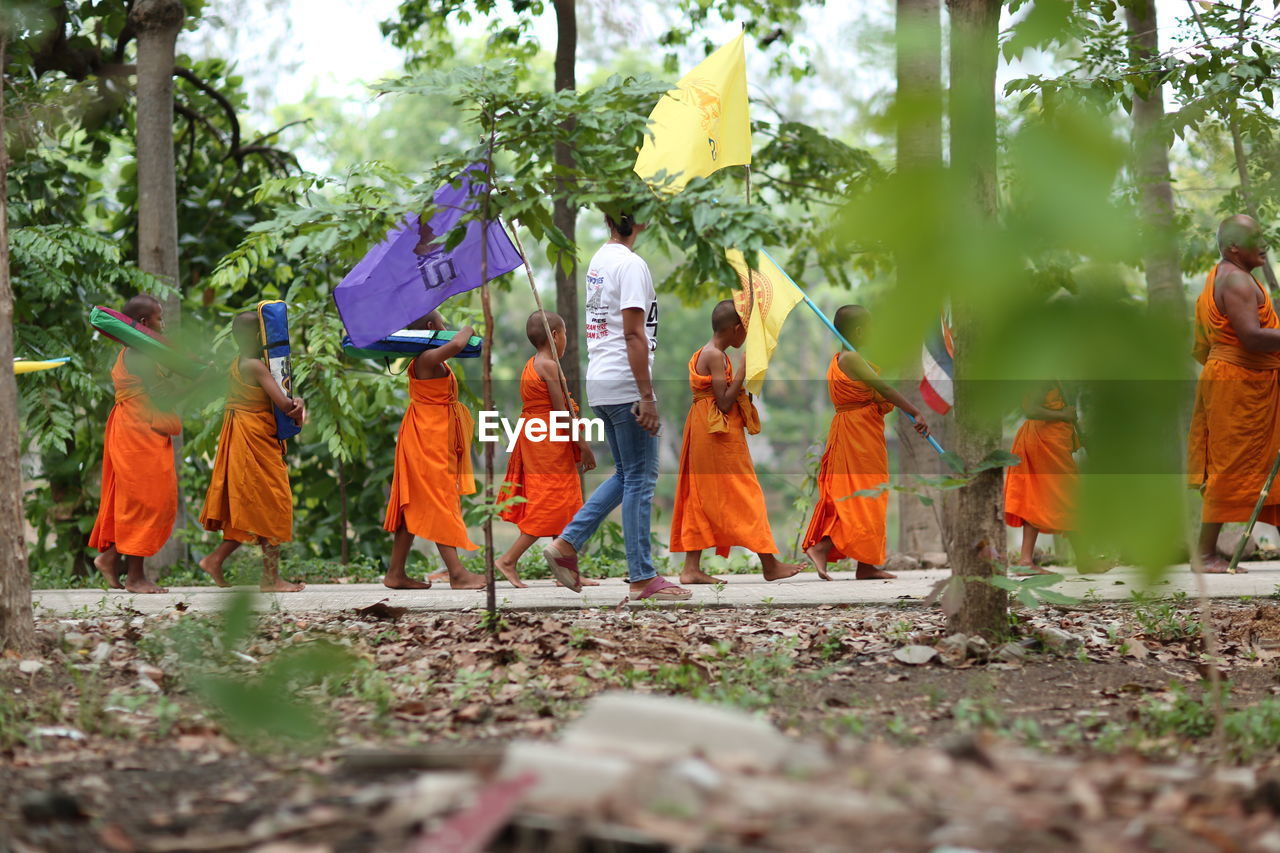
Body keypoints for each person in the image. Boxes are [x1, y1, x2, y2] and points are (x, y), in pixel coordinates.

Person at [541, 209, 692, 601]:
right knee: (641, 478)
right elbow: (632, 333)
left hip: (602, 383)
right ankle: (643, 576)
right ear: (634, 219)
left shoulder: (600, 260)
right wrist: (647, 396)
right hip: (626, 384)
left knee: (626, 474)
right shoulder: (631, 265)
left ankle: (566, 544)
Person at [670, 300, 804, 584]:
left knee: (701, 494)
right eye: (746, 330)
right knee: (745, 492)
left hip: (706, 429)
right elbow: (724, 400)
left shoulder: (708, 353)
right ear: (735, 329)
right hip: (715, 434)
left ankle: (691, 569)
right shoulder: (715, 355)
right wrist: (743, 368)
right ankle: (769, 564)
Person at [803, 305, 931, 580]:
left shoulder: (845, 358)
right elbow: (883, 388)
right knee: (862, 496)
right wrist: (915, 411)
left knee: (872, 495)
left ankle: (866, 564)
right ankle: (823, 547)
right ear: (860, 331)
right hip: (856, 435)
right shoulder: (850, 358)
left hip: (861, 431)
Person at [1188, 214, 1280, 573]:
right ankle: (1205, 554)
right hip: (1239, 382)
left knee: (1263, 458)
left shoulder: (1226, 274)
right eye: (1253, 238)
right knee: (1231, 464)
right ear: (1233, 247)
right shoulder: (1238, 281)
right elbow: (1252, 336)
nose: (1264, 243)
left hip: (1243, 379)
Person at [198, 311, 306, 592]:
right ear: (261, 336)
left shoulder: (237, 362)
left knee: (253, 506)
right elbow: (284, 405)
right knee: (274, 501)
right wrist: (299, 402)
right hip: (253, 438)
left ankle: (214, 560)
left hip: (246, 436)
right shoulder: (256, 365)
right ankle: (270, 579)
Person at [381, 311, 488, 590]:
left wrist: (465, 335)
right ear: (431, 328)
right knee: (440, 498)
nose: (447, 328)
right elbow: (457, 344)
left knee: (413, 502)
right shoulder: (426, 359)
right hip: (426, 438)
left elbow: (460, 345)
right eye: (443, 324)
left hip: (430, 434)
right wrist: (465, 329)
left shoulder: (430, 358)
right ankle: (457, 574)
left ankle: (395, 573)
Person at [494, 311, 597, 588]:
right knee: (549, 503)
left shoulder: (533, 363)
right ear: (554, 336)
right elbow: (562, 412)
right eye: (564, 334)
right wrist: (583, 446)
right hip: (548, 438)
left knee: (562, 504)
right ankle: (508, 560)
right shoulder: (549, 366)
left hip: (537, 436)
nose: (566, 340)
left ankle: (568, 572)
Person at [89, 294, 180, 594]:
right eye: (159, 318)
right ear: (143, 323)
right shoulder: (140, 355)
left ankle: (111, 557)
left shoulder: (133, 352)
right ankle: (135, 576)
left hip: (133, 425)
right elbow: (161, 395)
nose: (162, 324)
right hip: (138, 429)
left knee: (138, 497)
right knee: (146, 499)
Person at [1004, 382, 1081, 574]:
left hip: (1049, 441)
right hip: (1043, 442)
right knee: (1064, 495)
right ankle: (1026, 561)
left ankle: (1082, 559)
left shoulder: (1058, 377)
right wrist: (1063, 415)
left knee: (1060, 498)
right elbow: (1031, 409)